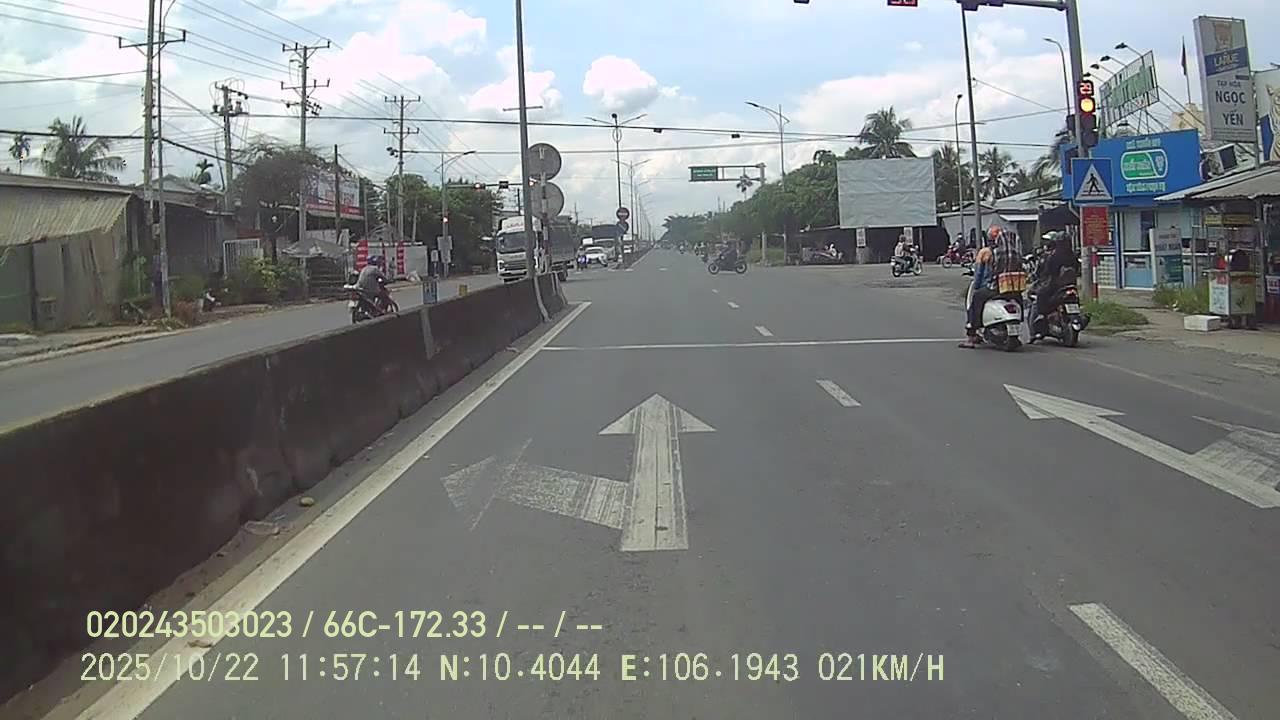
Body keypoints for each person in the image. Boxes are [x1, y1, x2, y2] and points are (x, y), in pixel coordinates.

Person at [961, 226, 1026, 348]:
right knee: (1019, 299)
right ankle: (1019, 320)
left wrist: (977, 286)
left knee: (977, 298)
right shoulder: (1017, 254)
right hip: (1014, 290)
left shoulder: (992, 253)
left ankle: (972, 331)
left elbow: (981, 274)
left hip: (996, 288)